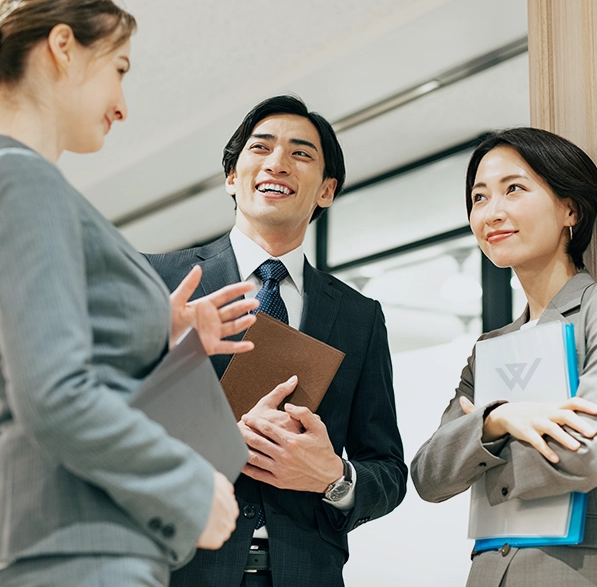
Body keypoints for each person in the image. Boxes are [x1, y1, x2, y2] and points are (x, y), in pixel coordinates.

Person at [0, 0, 260, 587]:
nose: (123, 104)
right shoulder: (25, 180)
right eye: (119, 69)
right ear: (63, 47)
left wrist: (151, 329)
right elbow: (53, 395)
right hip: (83, 547)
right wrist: (190, 483)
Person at [146, 95, 407, 587]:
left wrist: (335, 477)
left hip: (304, 573)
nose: (277, 163)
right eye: (260, 148)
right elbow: (96, 418)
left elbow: (388, 470)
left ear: (326, 190)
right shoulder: (158, 281)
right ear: (232, 176)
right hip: (175, 570)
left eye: (301, 153)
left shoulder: (359, 317)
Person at [411, 127, 597, 586]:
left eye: (513, 189)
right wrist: (499, 420)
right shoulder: (489, 349)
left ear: (569, 209)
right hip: (489, 572)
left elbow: (589, 451)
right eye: (479, 198)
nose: (491, 213)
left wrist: (479, 452)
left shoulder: (595, 310)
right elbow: (429, 474)